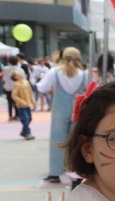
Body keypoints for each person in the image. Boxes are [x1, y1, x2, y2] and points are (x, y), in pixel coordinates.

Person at [37, 47, 87, 184]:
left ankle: (55, 173)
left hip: (59, 110)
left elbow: (42, 87)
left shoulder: (55, 72)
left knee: (57, 141)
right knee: (75, 142)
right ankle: (76, 171)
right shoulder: (83, 74)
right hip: (77, 110)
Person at [10, 69, 35, 140]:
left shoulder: (26, 82)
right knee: (25, 118)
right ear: (15, 77)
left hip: (28, 104)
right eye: (18, 73)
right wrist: (21, 101)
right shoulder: (17, 84)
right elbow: (14, 95)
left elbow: (30, 93)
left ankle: (24, 131)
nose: (20, 74)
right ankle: (27, 133)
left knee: (29, 118)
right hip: (21, 105)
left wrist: (33, 102)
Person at [2, 56, 21, 120]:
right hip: (17, 87)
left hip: (8, 87)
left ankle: (10, 115)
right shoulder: (19, 69)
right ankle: (17, 115)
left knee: (9, 102)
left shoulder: (5, 69)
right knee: (17, 102)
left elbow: (4, 78)